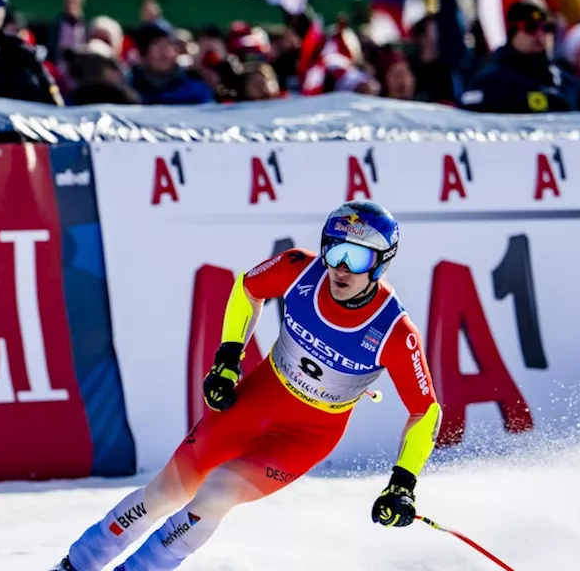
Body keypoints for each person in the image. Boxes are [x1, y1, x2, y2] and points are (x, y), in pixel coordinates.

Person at [52, 201, 443, 571]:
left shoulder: (394, 331)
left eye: (356, 258)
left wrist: (403, 482)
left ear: (381, 264)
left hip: (307, 433)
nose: (340, 268)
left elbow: (426, 411)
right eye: (335, 250)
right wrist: (227, 360)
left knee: (217, 494)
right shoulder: (300, 268)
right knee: (164, 493)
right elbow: (247, 288)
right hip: (258, 399)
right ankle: (77, 563)